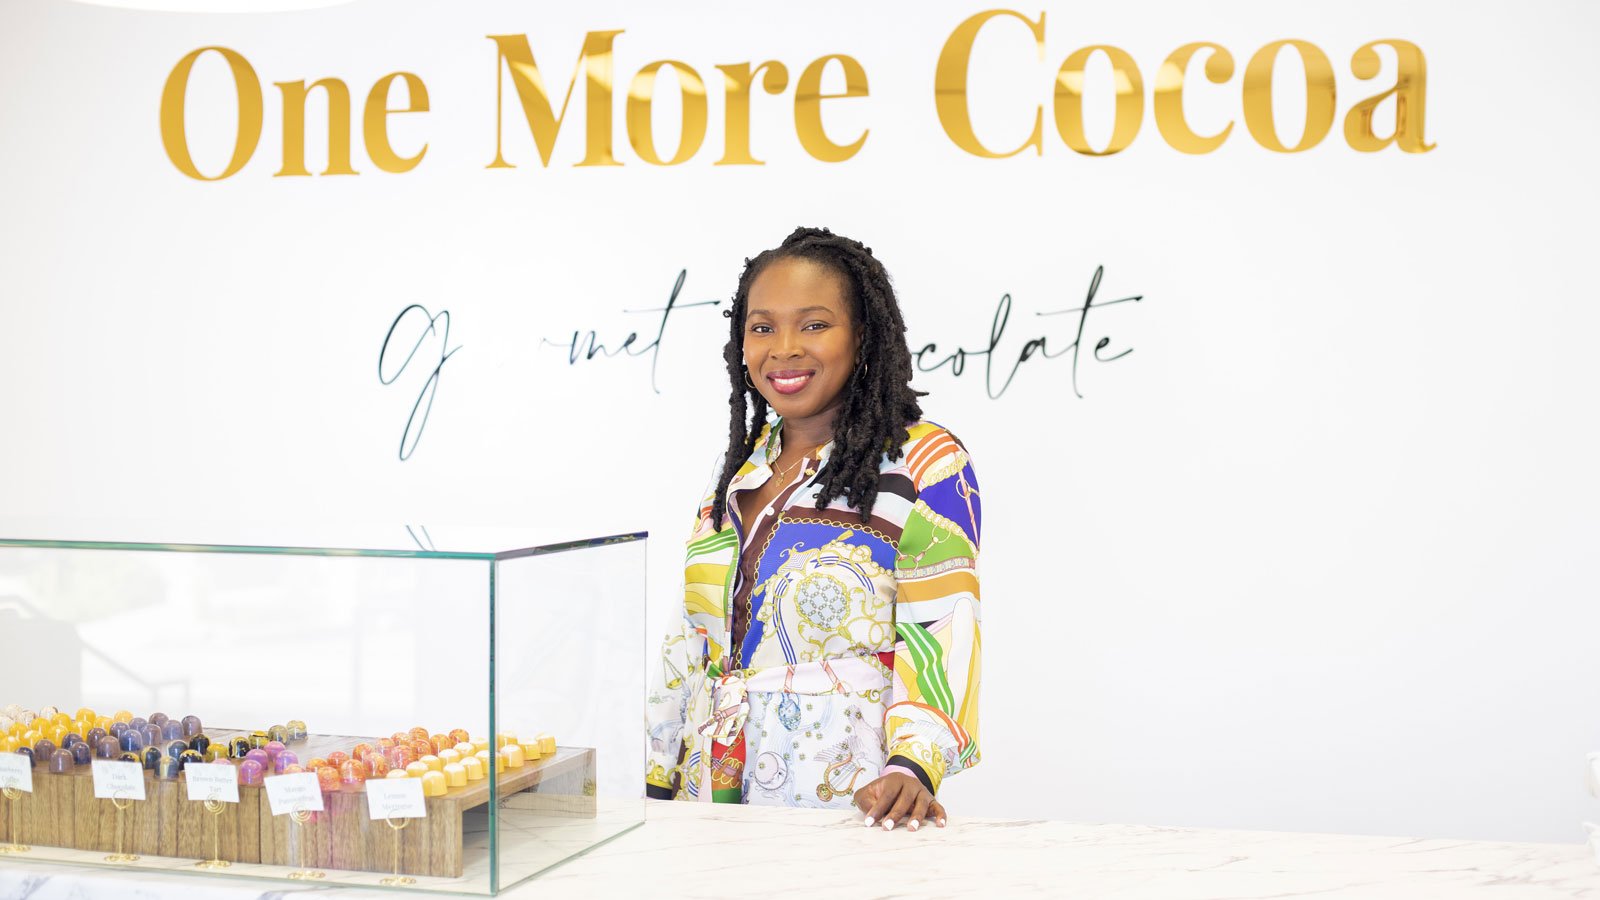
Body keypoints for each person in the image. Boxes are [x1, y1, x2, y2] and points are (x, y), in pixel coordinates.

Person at [645, 226, 981, 832]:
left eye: (815, 324)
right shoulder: (740, 471)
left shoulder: (923, 462)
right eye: (763, 326)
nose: (784, 348)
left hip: (846, 802)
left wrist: (914, 767)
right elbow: (687, 640)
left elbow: (943, 628)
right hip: (708, 801)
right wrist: (655, 777)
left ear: (863, 336)